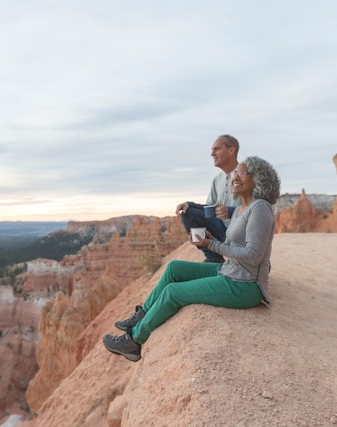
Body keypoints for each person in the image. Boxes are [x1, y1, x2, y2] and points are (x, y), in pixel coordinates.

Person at [103, 156, 280, 362]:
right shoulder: (242, 208)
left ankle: (134, 341)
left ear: (258, 180)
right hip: (230, 270)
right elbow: (235, 245)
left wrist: (212, 245)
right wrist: (211, 239)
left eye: (242, 173)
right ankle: (143, 314)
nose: (235, 178)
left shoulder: (260, 208)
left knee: (173, 292)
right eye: (234, 173)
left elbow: (253, 255)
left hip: (246, 285)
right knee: (175, 268)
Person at [176, 135, 241, 263]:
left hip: (241, 235)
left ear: (231, 150)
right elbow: (209, 209)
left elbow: (259, 210)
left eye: (216, 149)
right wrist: (190, 205)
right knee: (188, 213)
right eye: (212, 150)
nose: (212, 154)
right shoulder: (217, 180)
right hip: (222, 232)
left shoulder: (247, 177)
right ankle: (214, 259)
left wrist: (230, 211)